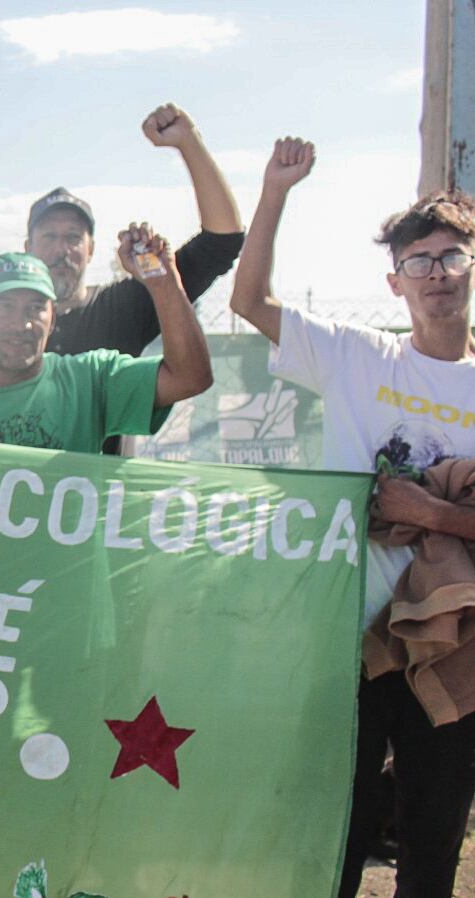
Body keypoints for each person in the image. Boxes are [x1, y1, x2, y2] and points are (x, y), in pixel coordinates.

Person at [229, 137, 475, 898]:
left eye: (450, 258)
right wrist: (274, 191)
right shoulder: (355, 359)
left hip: (452, 645)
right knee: (331, 836)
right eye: (418, 263)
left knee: (432, 845)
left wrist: (426, 510)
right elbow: (248, 302)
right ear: (394, 282)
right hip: (345, 638)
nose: (435, 276)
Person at [0, 230, 212, 452]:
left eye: (35, 308)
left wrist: (162, 282)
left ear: (52, 319)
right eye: (5, 306)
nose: (21, 324)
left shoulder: (90, 382)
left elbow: (190, 378)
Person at [21, 103, 244, 359]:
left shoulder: (120, 307)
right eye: (49, 236)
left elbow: (222, 242)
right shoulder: (4, 321)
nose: (61, 249)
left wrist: (188, 142)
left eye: (73, 237)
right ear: (28, 249)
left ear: (90, 249)